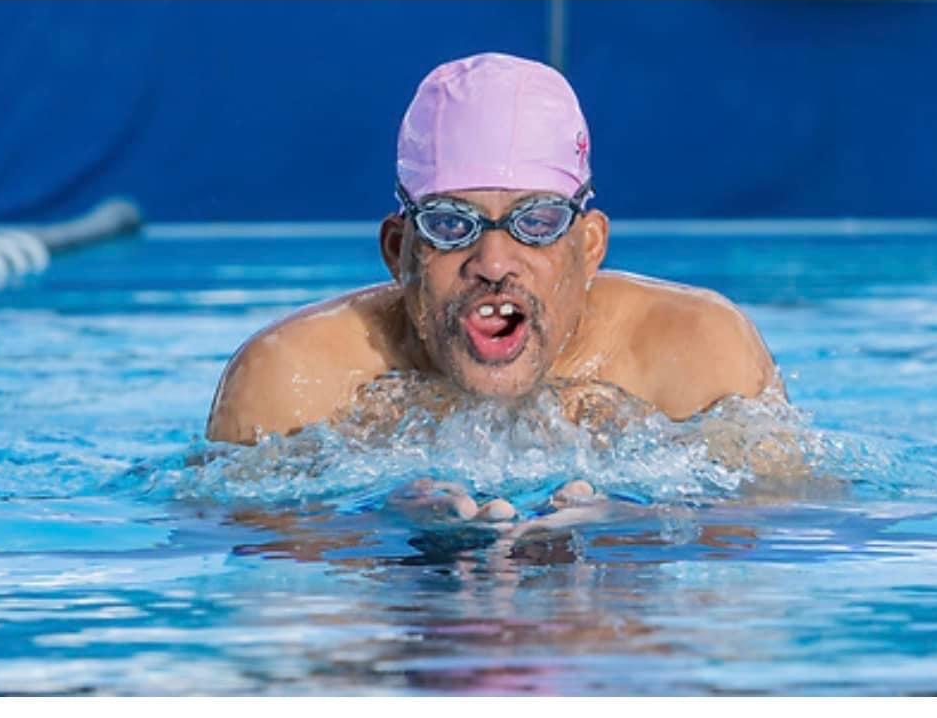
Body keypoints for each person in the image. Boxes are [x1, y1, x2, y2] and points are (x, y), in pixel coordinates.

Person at [206, 52, 783, 524]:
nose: (494, 262)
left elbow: (789, 526)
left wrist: (643, 523)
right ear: (396, 250)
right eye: (451, 225)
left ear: (588, 248)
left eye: (536, 223)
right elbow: (261, 591)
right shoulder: (290, 382)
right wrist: (372, 523)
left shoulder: (699, 354)